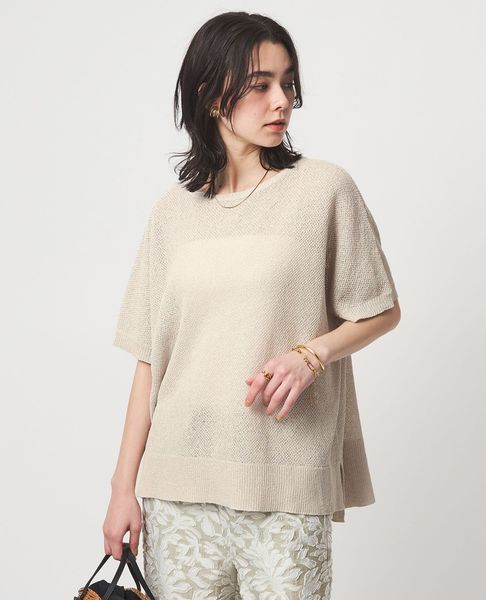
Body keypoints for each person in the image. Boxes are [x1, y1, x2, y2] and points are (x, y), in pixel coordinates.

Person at [102, 10, 401, 600]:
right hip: (177, 485)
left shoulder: (324, 189)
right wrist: (121, 488)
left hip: (284, 481)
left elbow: (380, 309)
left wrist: (311, 354)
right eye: (260, 85)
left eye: (288, 83)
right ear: (211, 93)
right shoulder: (171, 213)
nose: (281, 100)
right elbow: (150, 360)